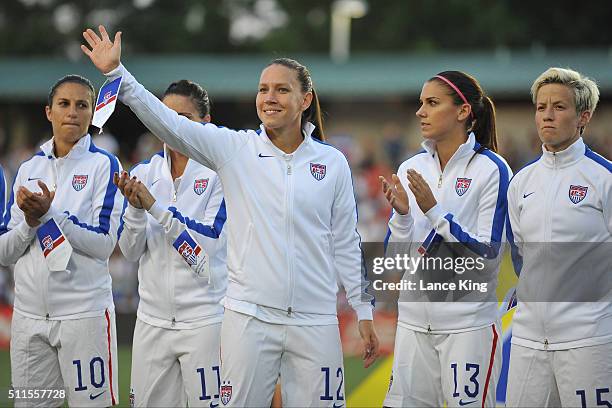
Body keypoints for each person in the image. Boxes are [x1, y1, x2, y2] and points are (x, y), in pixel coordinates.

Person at [81, 25, 379, 407]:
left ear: (306, 100)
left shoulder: (332, 162)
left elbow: (345, 241)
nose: (269, 97)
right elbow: (170, 123)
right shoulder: (235, 149)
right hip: (248, 318)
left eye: (281, 89)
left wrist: (363, 308)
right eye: (263, 89)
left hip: (315, 320)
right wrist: (118, 76)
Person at [380, 71, 511, 407]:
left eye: (432, 103)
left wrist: (435, 213)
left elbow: (487, 258)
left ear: (463, 111)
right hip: (412, 324)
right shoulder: (412, 166)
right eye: (421, 103)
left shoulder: (492, 169)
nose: (420, 111)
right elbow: (395, 261)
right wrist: (404, 215)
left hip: (467, 328)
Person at [0, 74, 122, 407]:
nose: (72, 112)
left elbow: (104, 245)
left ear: (92, 112)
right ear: (48, 112)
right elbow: (5, 253)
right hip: (28, 317)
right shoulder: (27, 168)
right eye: (64, 104)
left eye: (82, 105)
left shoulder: (104, 165)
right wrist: (28, 223)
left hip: (83, 316)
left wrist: (51, 213)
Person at [116, 79, 227, 407]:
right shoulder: (144, 172)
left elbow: (206, 250)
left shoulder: (221, 173)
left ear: (205, 123)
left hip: (205, 320)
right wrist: (136, 213)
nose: (174, 126)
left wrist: (153, 206)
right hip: (152, 320)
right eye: (165, 115)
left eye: (185, 118)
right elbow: (130, 252)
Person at [505, 67, 611, 407]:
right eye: (540, 107)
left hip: (588, 340)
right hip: (528, 341)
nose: (547, 116)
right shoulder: (521, 182)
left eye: (559, 107)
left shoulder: (604, 179)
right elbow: (522, 257)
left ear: (584, 117)